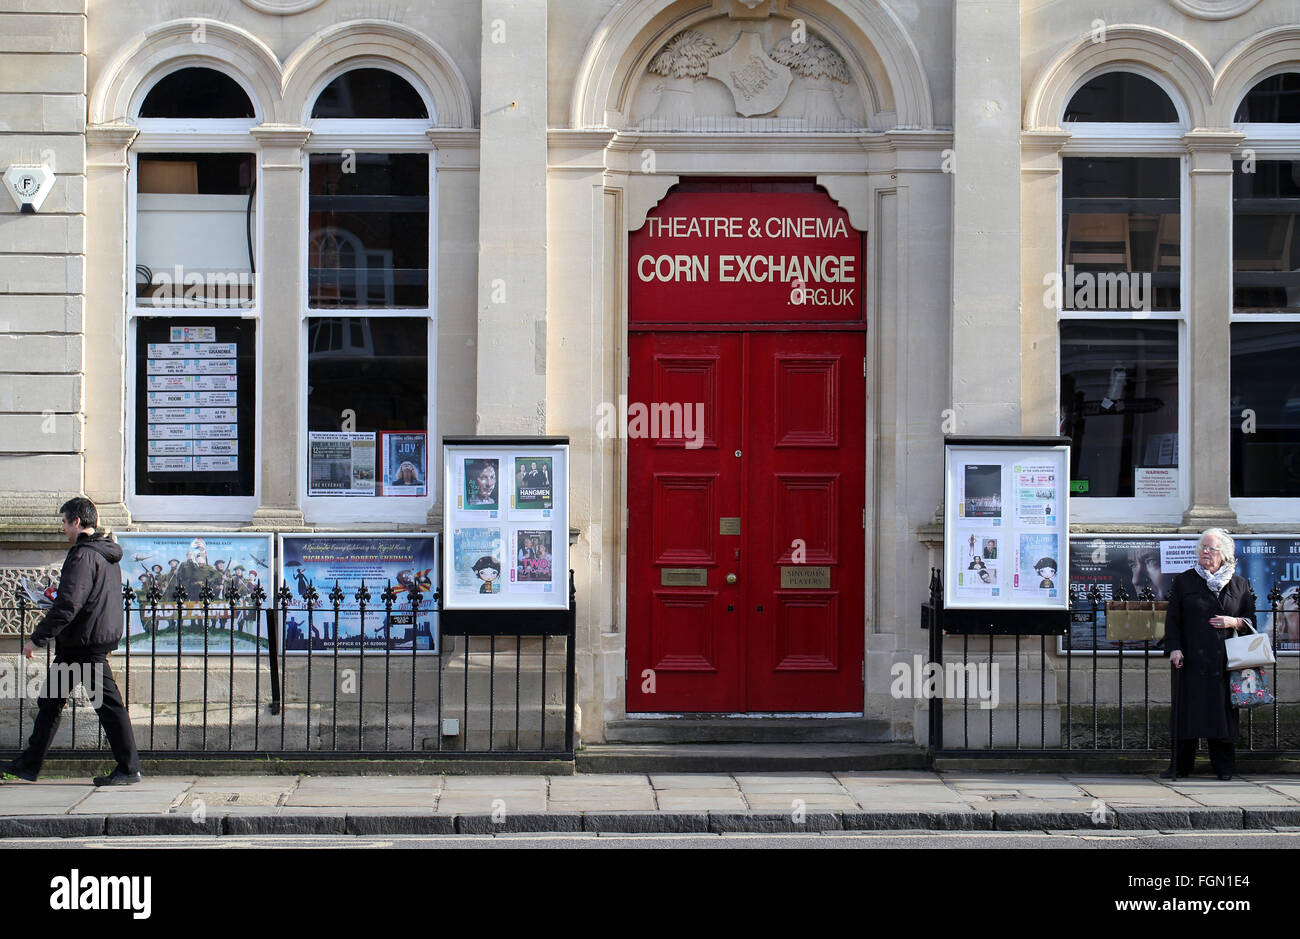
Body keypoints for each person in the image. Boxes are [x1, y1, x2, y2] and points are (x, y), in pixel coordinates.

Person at [1, 497, 142, 786]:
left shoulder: (83, 555)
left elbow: (69, 605)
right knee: (50, 703)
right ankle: (29, 764)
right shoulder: (103, 554)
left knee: (108, 706)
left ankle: (129, 768)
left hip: (84, 646)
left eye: (64, 521)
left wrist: (36, 639)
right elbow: (83, 599)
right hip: (80, 644)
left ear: (77, 522)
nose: (62, 527)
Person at [1162, 528, 1255, 781]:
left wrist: (1233, 622)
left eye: (1210, 548)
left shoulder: (1239, 583)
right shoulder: (1185, 581)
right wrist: (1174, 648)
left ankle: (1224, 768)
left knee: (1222, 715)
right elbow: (1173, 619)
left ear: (1223, 553)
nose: (1204, 552)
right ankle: (1180, 766)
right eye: (1202, 547)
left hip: (1224, 661)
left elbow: (1250, 620)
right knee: (1187, 714)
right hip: (1191, 659)